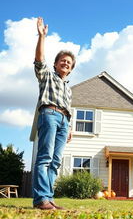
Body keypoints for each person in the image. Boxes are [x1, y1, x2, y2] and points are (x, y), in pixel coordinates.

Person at [32, 17, 75, 210]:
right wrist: (42, 37)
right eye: (63, 61)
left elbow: (69, 109)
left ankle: (48, 198)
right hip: (49, 114)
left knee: (56, 162)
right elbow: (39, 61)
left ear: (71, 68)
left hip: (64, 121)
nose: (66, 63)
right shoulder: (48, 75)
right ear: (56, 64)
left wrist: (70, 128)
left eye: (69, 63)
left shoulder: (68, 88)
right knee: (45, 158)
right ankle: (41, 199)